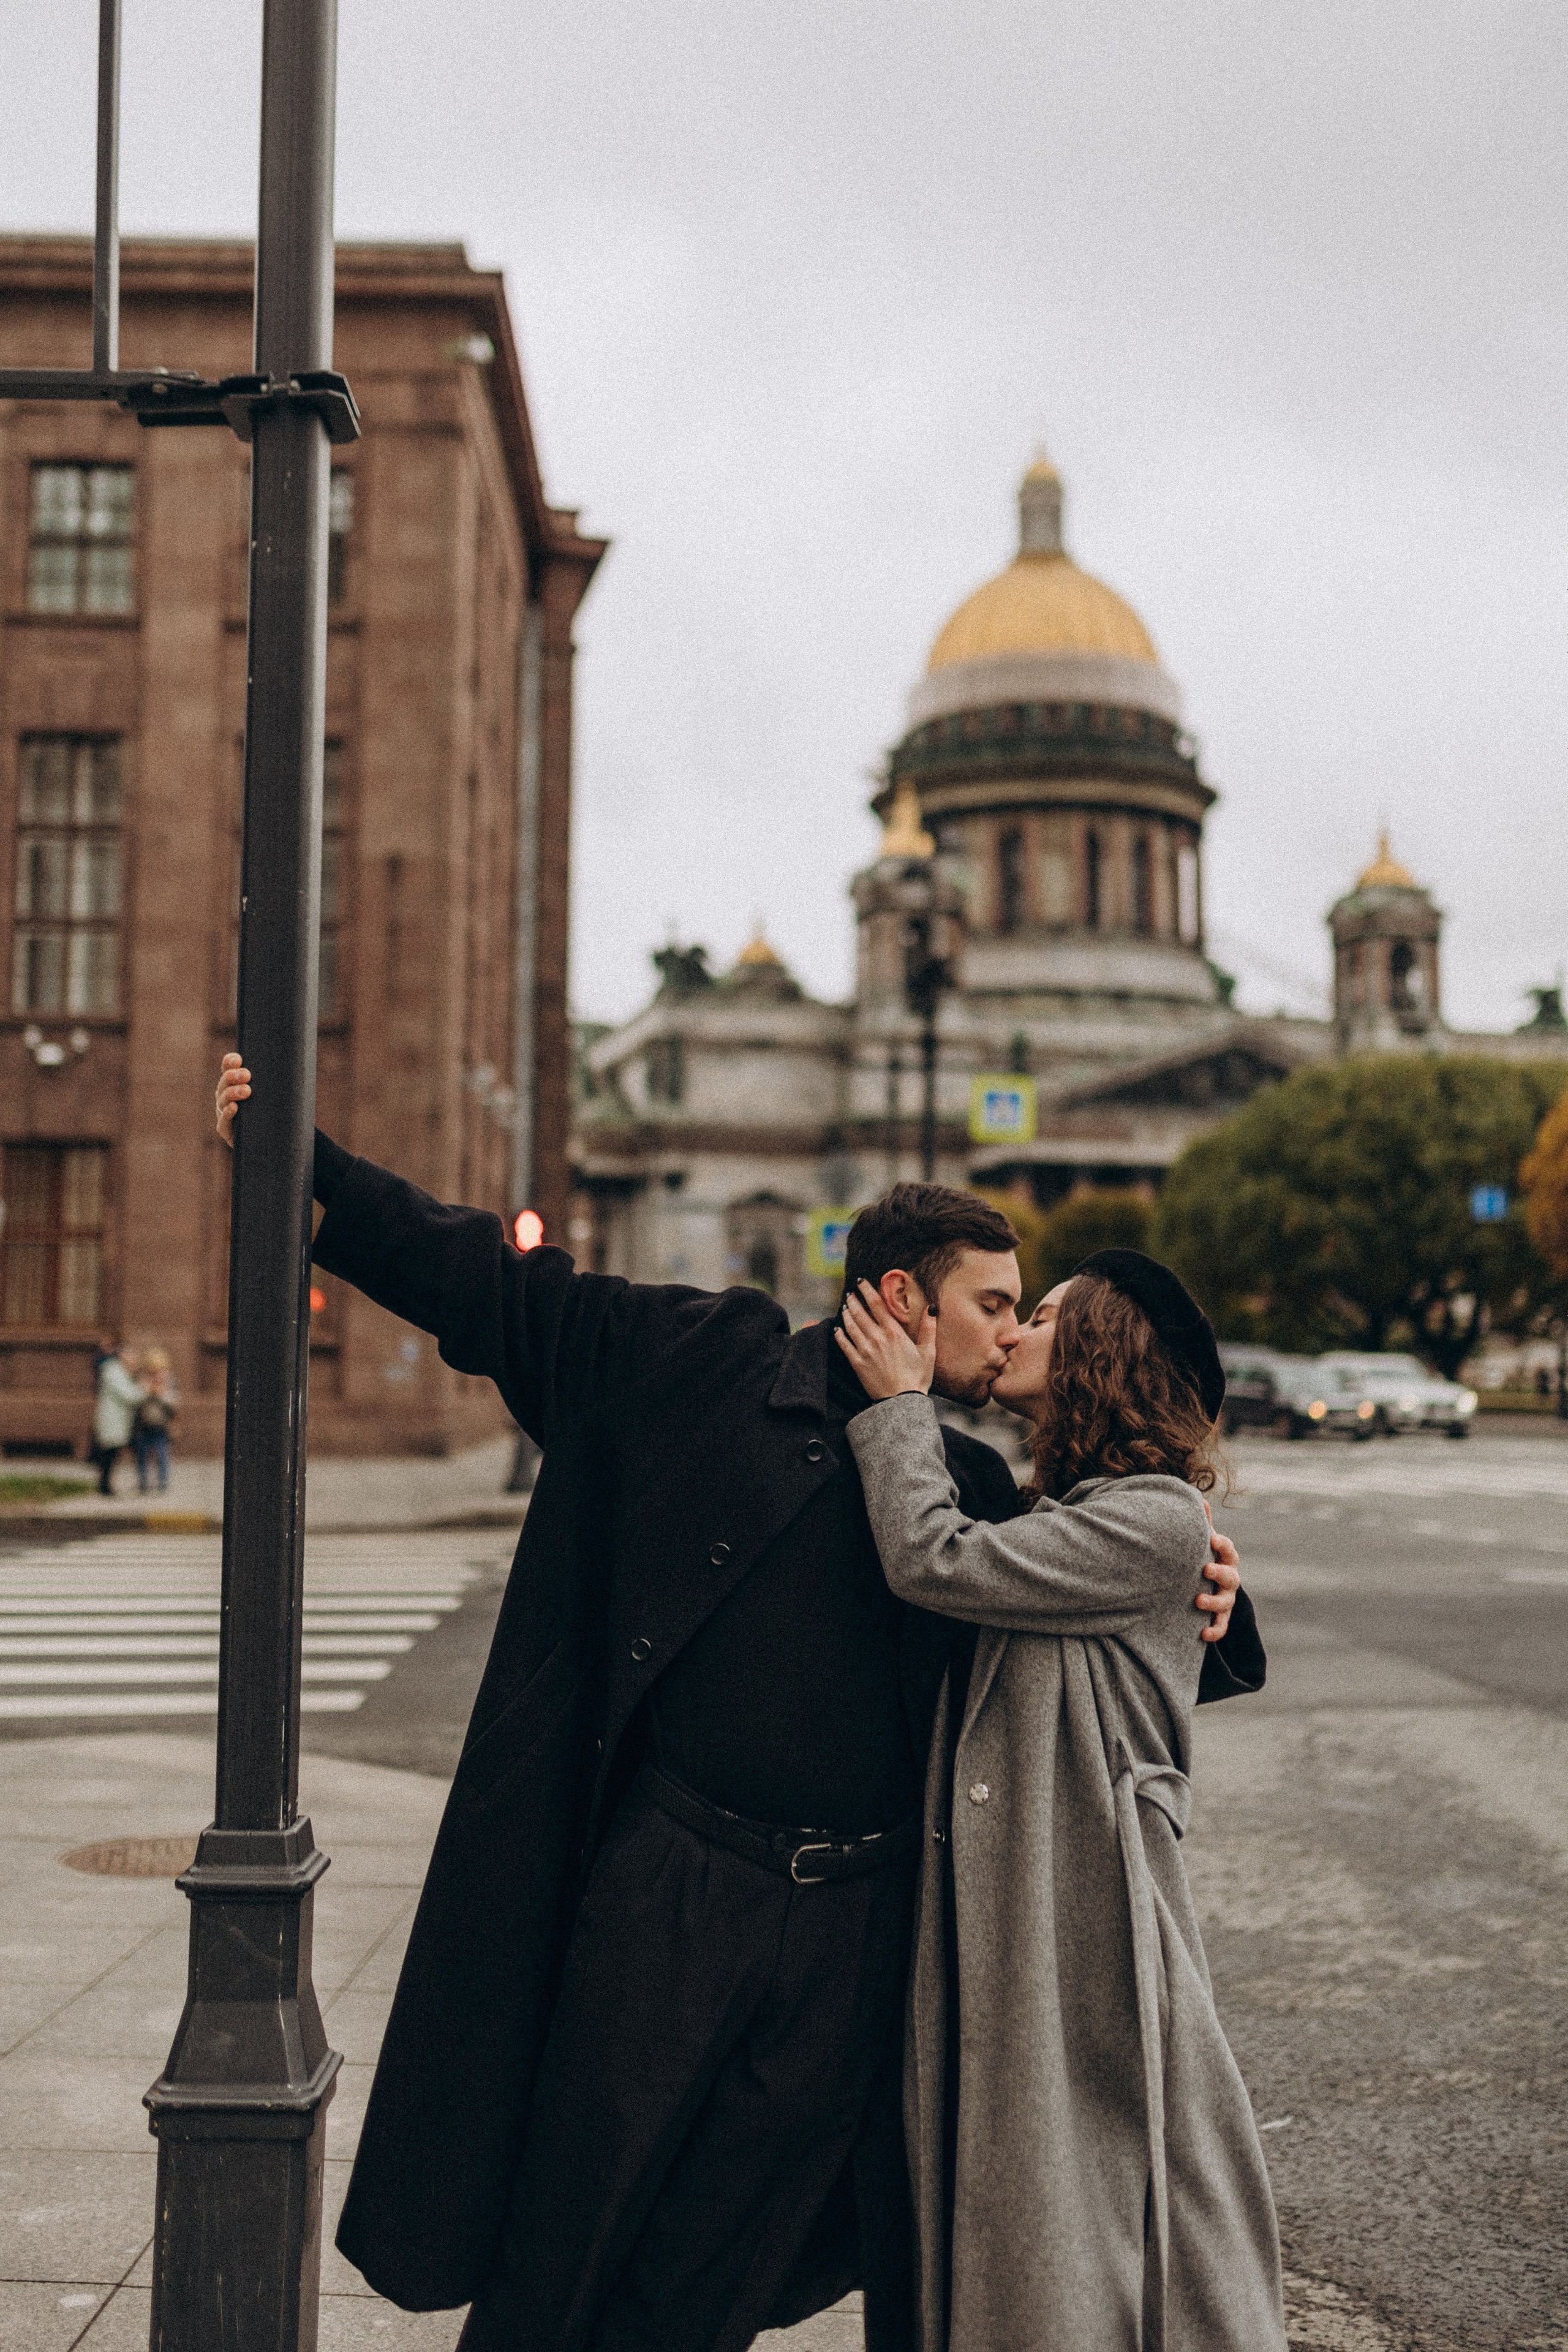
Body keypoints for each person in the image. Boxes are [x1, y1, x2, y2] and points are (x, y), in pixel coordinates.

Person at [214, 1054, 1259, 2352]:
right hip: (671, 1896)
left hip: (857, 1936)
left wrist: (1213, 1594)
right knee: (571, 2232)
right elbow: (492, 1283)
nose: (1009, 1334)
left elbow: (1103, 1650)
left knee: (724, 2264)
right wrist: (300, 1164)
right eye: (993, 1304)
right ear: (897, 1298)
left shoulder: (973, 1489)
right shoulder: (698, 1360)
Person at [835, 1251, 1288, 2352]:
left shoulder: (1152, 1520)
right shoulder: (1090, 1513)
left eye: (1039, 1317)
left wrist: (897, 1408)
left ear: (1098, 1353)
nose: (1012, 1332)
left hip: (1080, 1915)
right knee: (1042, 2184)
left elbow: (935, 1560)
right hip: (1030, 1905)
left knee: (1105, 2188)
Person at [91, 1341, 146, 1497]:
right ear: (123, 1356)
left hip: (118, 1421)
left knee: (112, 1454)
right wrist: (146, 1390)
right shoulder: (113, 1372)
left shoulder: (119, 1370)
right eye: (132, 1356)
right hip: (113, 1420)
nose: (135, 1359)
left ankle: (106, 1485)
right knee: (110, 1454)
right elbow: (128, 1395)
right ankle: (105, 1486)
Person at [133, 1348, 179, 1494]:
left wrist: (160, 1393)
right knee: (142, 1454)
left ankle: (163, 1482)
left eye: (158, 1367)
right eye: (152, 1367)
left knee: (162, 1454)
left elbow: (174, 1401)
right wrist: (148, 1390)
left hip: (161, 1424)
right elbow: (136, 1399)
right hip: (144, 1423)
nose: (155, 1371)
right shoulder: (142, 1379)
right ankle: (143, 1482)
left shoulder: (170, 1380)